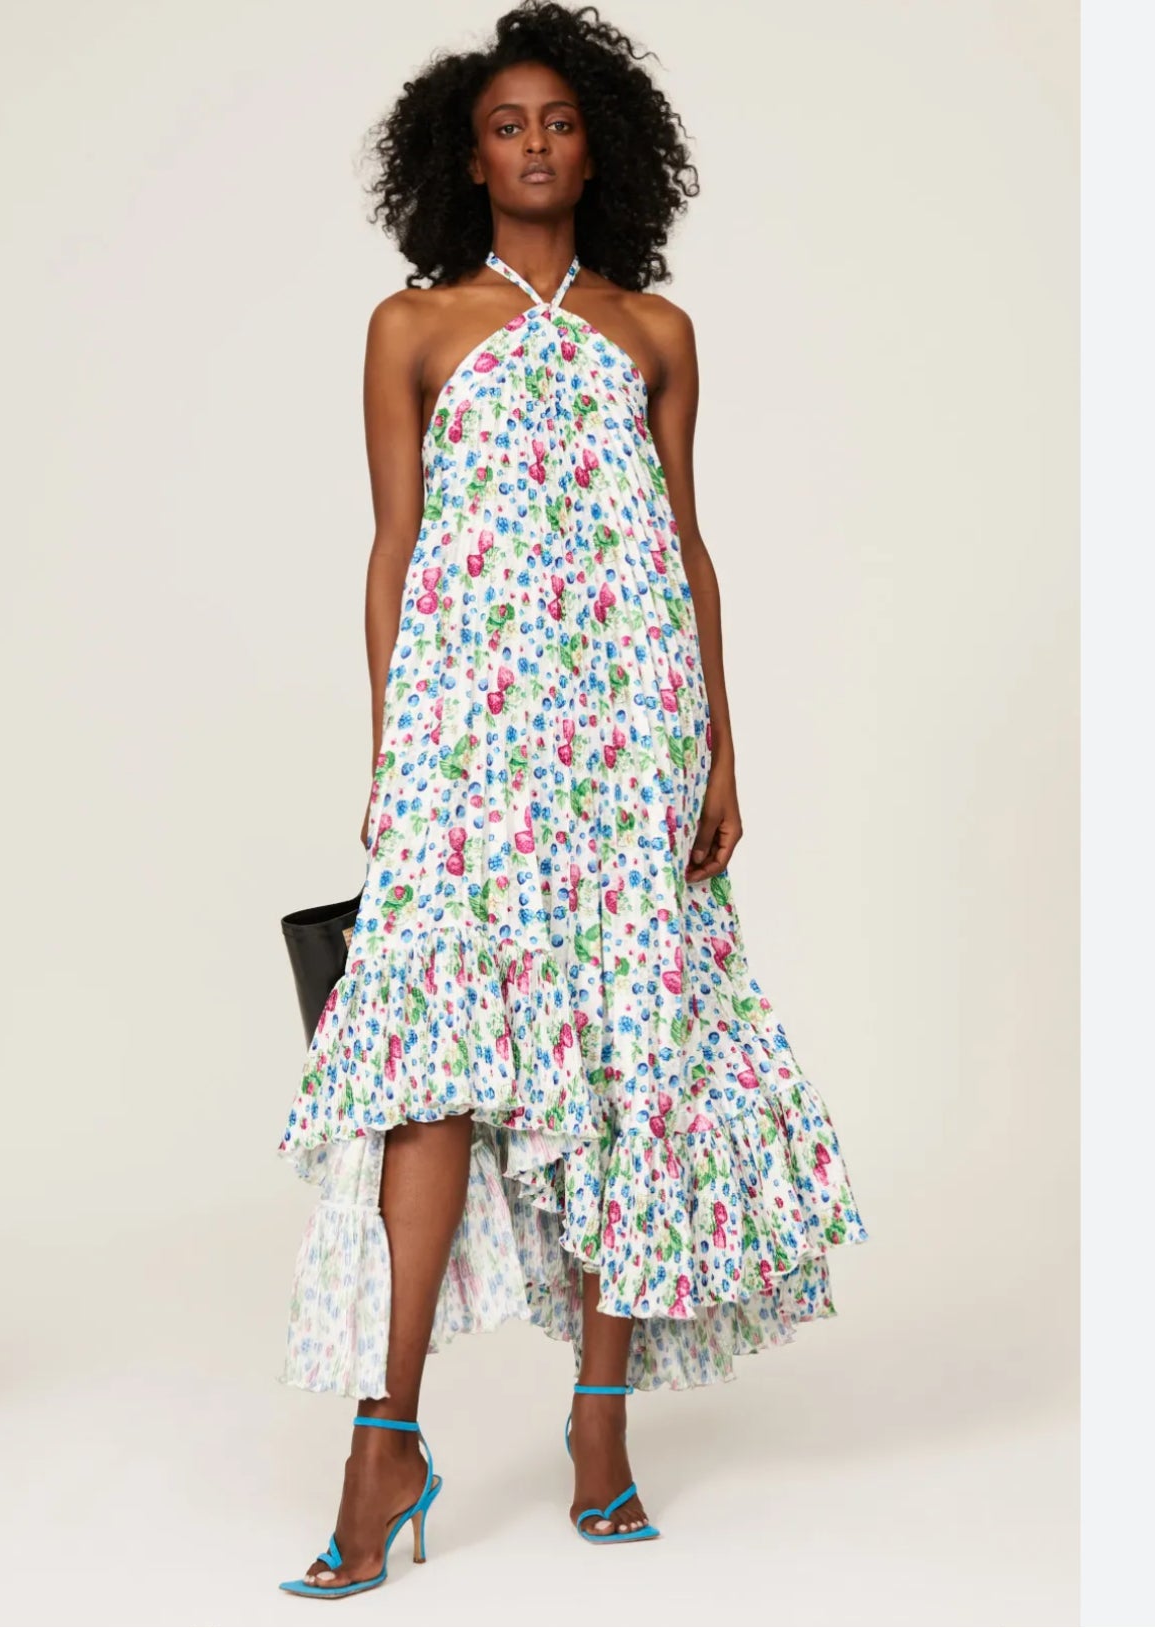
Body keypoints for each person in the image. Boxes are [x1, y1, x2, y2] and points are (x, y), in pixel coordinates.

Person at [275, 0, 868, 1599]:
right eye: (505, 125)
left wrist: (720, 746)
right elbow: (394, 550)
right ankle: (383, 1440)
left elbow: (686, 546)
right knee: (429, 1077)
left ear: (598, 149)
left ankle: (601, 1425)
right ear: (465, 160)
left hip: (629, 736)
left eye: (557, 121)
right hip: (474, 737)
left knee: (629, 1059)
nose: (533, 144)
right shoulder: (414, 327)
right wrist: (398, 751)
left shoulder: (653, 329)